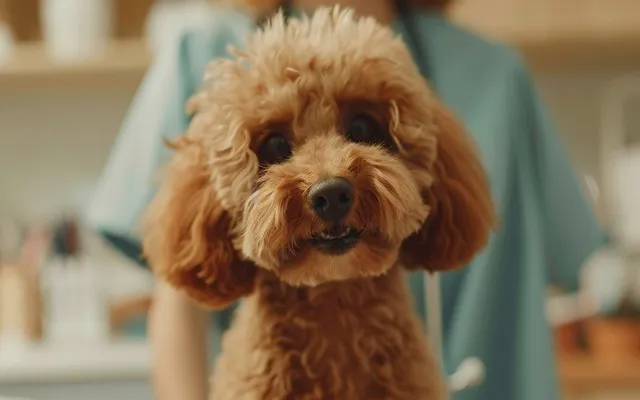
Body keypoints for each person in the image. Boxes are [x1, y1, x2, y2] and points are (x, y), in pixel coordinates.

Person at [85, 0, 606, 399]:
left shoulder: (496, 75)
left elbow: (566, 275)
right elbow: (181, 296)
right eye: (275, 147)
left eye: (364, 128)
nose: (329, 178)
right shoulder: (204, 54)